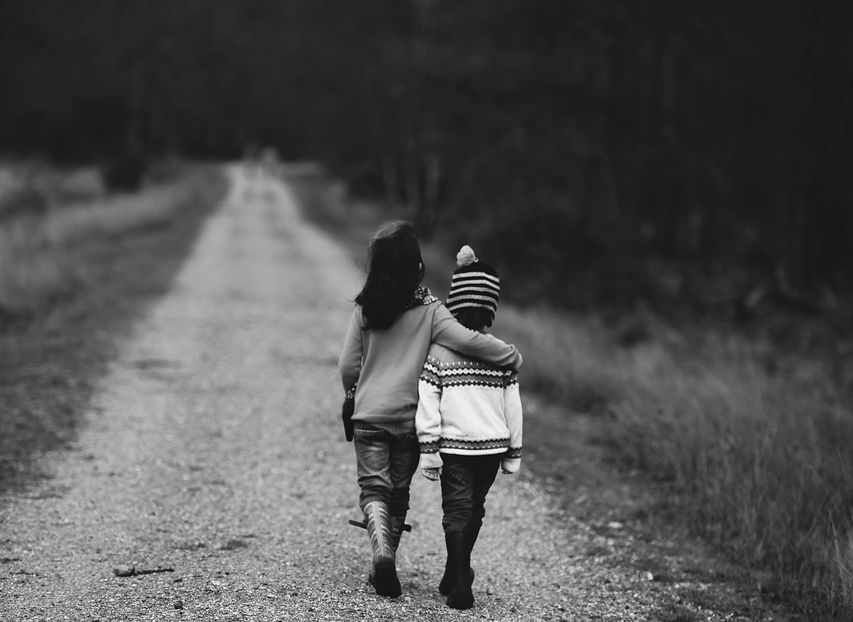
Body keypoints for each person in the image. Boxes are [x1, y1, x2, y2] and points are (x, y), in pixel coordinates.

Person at [338, 223, 523, 599]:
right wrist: (511, 356)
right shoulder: (432, 312)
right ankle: (387, 556)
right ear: (417, 267)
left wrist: (355, 394)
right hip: (409, 421)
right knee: (398, 493)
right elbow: (469, 341)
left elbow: (347, 366)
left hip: (369, 416)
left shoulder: (365, 309)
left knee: (374, 487)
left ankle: (382, 553)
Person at [415, 245, 523, 610]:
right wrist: (514, 451)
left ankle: (460, 579)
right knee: (474, 508)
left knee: (456, 511)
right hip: (491, 448)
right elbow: (514, 407)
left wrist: (428, 450)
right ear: (491, 308)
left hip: (455, 447)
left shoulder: (439, 352)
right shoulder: (500, 353)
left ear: (453, 303)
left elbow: (428, 402)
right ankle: (456, 570)